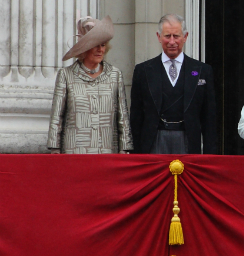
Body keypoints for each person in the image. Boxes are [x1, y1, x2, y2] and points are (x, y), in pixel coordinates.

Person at [130, 14, 217, 154]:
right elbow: (136, 116)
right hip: (154, 141)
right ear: (159, 37)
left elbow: (209, 118)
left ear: (185, 37)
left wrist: (210, 155)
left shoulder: (203, 71)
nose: (171, 41)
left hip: (188, 140)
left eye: (176, 36)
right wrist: (136, 153)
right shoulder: (143, 71)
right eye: (167, 36)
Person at [47, 16, 133, 154]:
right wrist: (54, 148)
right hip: (74, 153)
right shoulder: (66, 75)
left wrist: (125, 148)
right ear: (84, 48)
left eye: (103, 45)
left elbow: (122, 117)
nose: (100, 49)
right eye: (95, 45)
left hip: (107, 152)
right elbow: (57, 116)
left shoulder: (115, 75)